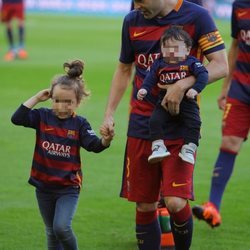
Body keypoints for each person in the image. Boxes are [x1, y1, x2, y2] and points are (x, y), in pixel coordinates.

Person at [101, 0, 228, 249]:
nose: (136, 6)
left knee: (175, 202)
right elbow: (125, 68)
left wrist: (183, 85)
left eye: (141, 1)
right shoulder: (132, 20)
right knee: (145, 203)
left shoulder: (198, 16)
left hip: (180, 123)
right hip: (142, 122)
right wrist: (109, 113)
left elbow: (221, 65)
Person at [11, 59, 113, 250]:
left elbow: (94, 145)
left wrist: (106, 140)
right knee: (51, 231)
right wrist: (36, 98)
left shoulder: (80, 124)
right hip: (43, 186)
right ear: (50, 98)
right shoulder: (42, 117)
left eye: (68, 102)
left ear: (78, 102)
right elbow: (17, 119)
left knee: (61, 228)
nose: (61, 106)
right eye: (57, 101)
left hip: (68, 188)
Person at [192, 0, 250, 228]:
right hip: (241, 87)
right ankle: (213, 207)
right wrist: (226, 87)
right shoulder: (240, 5)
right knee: (229, 142)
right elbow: (235, 45)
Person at [137, 27, 208, 165]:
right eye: (167, 48)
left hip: (187, 100)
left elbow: (203, 75)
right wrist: (144, 89)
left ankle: (189, 148)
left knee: (195, 123)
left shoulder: (191, 62)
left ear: (187, 50)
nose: (171, 52)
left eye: (176, 48)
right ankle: (158, 146)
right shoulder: (159, 63)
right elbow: (150, 78)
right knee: (154, 121)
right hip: (164, 100)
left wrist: (195, 89)